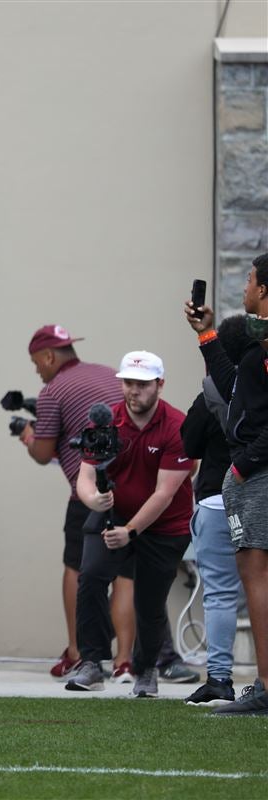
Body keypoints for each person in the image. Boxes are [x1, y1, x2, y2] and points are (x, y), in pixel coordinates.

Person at [67, 351, 194, 698]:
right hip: (114, 516)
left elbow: (164, 494)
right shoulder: (105, 422)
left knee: (150, 601)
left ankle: (146, 669)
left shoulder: (177, 426)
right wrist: (93, 500)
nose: (133, 391)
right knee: (91, 577)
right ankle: (92, 662)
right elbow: (86, 476)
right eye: (128, 383)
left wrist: (131, 532)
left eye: (142, 384)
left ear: (159, 385)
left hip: (164, 525)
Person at [17, 324, 134, 681]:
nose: (37, 370)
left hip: (90, 494)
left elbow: (43, 451)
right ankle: (125, 661)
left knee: (77, 569)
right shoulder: (109, 374)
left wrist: (27, 435)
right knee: (126, 574)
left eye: (37, 363)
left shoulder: (53, 390)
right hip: (132, 489)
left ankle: (78, 651)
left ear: (49, 357)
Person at [185, 252, 268, 716]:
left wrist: (242, 466)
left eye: (251, 280)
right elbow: (236, 387)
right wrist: (206, 334)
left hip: (257, 473)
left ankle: (265, 685)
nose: (245, 288)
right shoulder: (258, 348)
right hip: (253, 472)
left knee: (256, 576)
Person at [178, 316, 253, 706]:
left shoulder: (213, 392)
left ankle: (220, 677)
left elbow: (187, 442)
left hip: (216, 499)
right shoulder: (260, 387)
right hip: (259, 496)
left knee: (220, 595)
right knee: (261, 590)